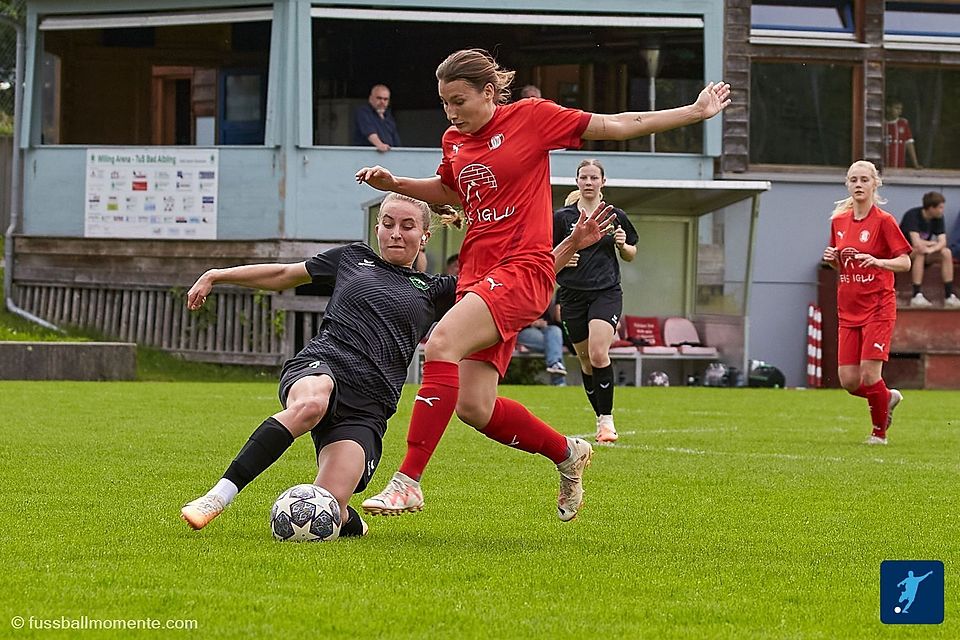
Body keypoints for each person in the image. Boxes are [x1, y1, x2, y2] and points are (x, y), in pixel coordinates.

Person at [354, 48, 730, 520]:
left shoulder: (532, 118)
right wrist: (397, 182)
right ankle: (567, 453)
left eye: (459, 101)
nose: (451, 112)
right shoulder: (455, 140)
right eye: (445, 103)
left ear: (488, 93)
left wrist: (693, 112)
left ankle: (407, 482)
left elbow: (616, 124)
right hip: (477, 276)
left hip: (525, 270)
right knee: (475, 406)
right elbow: (451, 191)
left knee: (441, 343)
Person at [179, 193, 456, 536]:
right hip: (324, 364)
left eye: (407, 226)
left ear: (425, 236)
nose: (395, 233)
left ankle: (351, 520)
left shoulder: (438, 289)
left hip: (368, 407)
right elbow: (283, 273)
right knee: (311, 404)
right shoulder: (353, 258)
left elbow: (496, 285)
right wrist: (217, 275)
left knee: (327, 507)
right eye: (387, 224)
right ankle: (217, 497)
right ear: (377, 228)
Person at [822, 160, 912, 445]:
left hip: (878, 307)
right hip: (848, 308)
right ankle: (888, 397)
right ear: (847, 184)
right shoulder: (838, 221)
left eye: (864, 179)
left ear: (875, 184)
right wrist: (833, 260)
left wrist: (879, 262)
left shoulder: (884, 221)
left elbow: (905, 262)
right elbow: (844, 265)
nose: (858, 185)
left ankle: (879, 434)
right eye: (853, 180)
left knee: (871, 375)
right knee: (849, 381)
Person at [553, 159, 638, 443]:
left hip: (606, 292)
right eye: (583, 178)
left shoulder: (615, 215)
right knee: (586, 362)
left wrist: (623, 245)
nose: (588, 183)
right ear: (576, 181)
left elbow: (631, 253)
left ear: (603, 181)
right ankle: (599, 418)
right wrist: (564, 260)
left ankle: (607, 421)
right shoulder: (561, 218)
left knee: (599, 353)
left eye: (593, 178)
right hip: (572, 295)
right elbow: (545, 255)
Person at [899, 191, 960, 308]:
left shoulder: (938, 217)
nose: (942, 210)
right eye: (940, 207)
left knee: (946, 252)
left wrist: (932, 250)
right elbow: (916, 242)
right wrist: (933, 244)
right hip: (905, 254)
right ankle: (916, 295)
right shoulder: (912, 215)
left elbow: (943, 242)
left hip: (925, 251)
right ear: (931, 208)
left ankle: (949, 296)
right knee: (920, 251)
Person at [516, 296, 567, 384]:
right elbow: (515, 320)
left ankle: (555, 365)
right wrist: (531, 323)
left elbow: (549, 319)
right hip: (524, 330)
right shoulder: (520, 296)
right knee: (554, 345)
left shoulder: (543, 297)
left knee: (555, 330)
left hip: (544, 330)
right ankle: (559, 380)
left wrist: (544, 323)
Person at [353, 84, 401, 152]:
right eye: (379, 98)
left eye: (385, 99)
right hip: (366, 157)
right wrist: (379, 145)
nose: (382, 102)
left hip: (388, 157)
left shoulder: (389, 117)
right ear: (370, 98)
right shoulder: (363, 112)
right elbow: (369, 132)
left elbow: (396, 142)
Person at [884, 100, 921, 170]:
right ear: (888, 108)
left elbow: (909, 144)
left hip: (899, 166)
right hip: (884, 167)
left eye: (900, 109)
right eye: (896, 108)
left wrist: (915, 164)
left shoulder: (903, 123)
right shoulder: (882, 124)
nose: (899, 111)